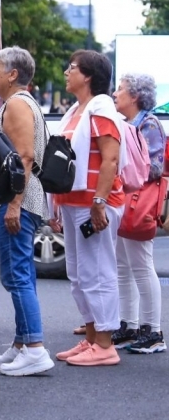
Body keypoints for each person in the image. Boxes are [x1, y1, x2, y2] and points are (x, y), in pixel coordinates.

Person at [49, 50, 125, 367]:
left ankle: (106, 345)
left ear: (89, 76)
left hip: (93, 204)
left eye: (73, 67)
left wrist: (99, 202)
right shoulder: (76, 111)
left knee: (97, 272)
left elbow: (110, 158)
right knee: (79, 275)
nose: (67, 72)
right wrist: (56, 202)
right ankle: (93, 339)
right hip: (73, 202)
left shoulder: (102, 107)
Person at [0, 46, 55, 376]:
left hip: (20, 198)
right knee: (19, 272)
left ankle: (34, 348)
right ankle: (21, 343)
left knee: (16, 275)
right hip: (25, 196)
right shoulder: (19, 103)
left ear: (12, 74)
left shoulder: (16, 104)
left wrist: (14, 204)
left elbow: (24, 156)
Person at [111, 73, 165, 354]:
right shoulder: (128, 124)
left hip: (137, 203)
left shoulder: (149, 124)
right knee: (123, 266)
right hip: (125, 202)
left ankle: (153, 331)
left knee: (142, 266)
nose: (115, 94)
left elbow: (154, 167)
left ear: (134, 96)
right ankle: (129, 325)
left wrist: (122, 165)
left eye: (120, 89)